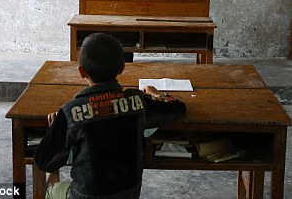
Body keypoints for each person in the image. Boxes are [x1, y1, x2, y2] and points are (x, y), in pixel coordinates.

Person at [33, 33, 186, 199]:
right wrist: (156, 94)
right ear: (122, 68)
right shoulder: (137, 101)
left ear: (81, 72)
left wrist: (54, 131)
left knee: (52, 191)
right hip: (129, 194)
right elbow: (178, 109)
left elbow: (43, 161)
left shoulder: (70, 112)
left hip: (85, 196)